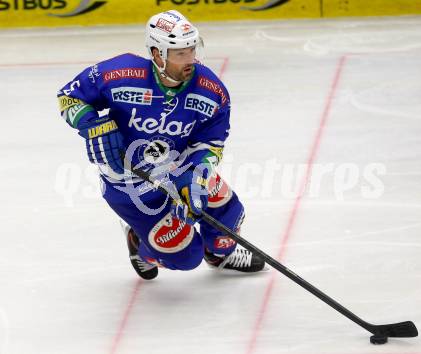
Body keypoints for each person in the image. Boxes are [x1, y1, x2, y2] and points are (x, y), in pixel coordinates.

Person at [57, 10, 265, 280]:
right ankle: (139, 244)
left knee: (229, 209)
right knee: (187, 257)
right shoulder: (120, 73)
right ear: (157, 54)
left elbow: (212, 141)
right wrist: (91, 124)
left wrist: (196, 172)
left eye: (192, 50)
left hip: (178, 169)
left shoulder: (210, 89)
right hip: (130, 183)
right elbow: (69, 96)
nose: (190, 59)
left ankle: (219, 253)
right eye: (180, 53)